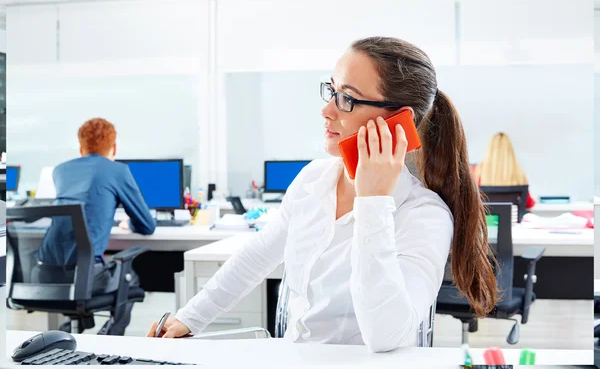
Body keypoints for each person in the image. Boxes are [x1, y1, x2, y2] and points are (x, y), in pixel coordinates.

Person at [147, 37, 498, 352]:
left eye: (346, 98)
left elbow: (386, 335)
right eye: (331, 91)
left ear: (398, 122)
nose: (327, 110)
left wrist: (373, 202)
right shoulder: (313, 180)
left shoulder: (424, 216)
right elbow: (257, 257)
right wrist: (190, 318)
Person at [33, 117, 156, 335]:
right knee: (130, 277)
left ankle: (68, 334)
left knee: (94, 272)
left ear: (81, 148)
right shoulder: (117, 170)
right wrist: (129, 223)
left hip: (45, 274)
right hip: (85, 276)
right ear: (114, 147)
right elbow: (147, 225)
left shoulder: (60, 171)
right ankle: (107, 343)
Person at [474, 132, 535, 209]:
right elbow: (529, 204)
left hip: (488, 220)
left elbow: (474, 201)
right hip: (513, 220)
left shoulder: (478, 172)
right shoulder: (519, 173)